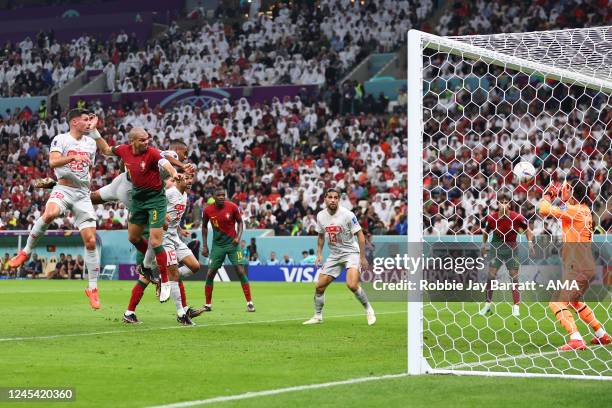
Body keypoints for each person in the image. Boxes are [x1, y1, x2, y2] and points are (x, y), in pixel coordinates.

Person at [88, 124, 190, 324]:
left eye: (147, 139)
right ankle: (137, 305)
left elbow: (164, 161)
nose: (147, 143)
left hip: (154, 205)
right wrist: (94, 132)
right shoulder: (122, 175)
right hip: (140, 209)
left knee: (160, 249)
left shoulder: (152, 153)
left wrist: (175, 171)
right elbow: (107, 151)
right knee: (134, 238)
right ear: (132, 142)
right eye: (142, 140)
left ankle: (171, 294)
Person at [9, 109, 102, 309]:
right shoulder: (61, 139)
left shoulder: (91, 143)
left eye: (89, 120)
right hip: (63, 189)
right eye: (85, 120)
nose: (88, 123)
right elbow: (53, 162)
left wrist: (86, 185)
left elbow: (90, 169)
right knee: (50, 213)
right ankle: (25, 252)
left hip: (82, 195)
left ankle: (92, 288)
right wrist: (72, 158)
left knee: (91, 241)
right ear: (74, 122)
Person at [539, 179, 610, 350]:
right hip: (586, 265)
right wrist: (563, 200)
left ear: (572, 192)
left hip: (577, 266)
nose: (563, 191)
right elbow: (564, 211)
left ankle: (576, 338)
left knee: (556, 303)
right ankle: (602, 335)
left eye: (566, 189)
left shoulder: (575, 210)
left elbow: (543, 210)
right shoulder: (583, 210)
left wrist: (548, 195)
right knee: (573, 302)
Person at [125, 174, 202, 325]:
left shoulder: (184, 196)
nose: (190, 181)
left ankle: (162, 281)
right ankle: (182, 313)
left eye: (192, 178)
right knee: (165, 274)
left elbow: (175, 216)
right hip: (163, 238)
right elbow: (153, 206)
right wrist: (161, 216)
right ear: (179, 179)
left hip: (174, 237)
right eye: (187, 178)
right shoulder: (169, 193)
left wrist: (179, 229)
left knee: (194, 266)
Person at [303, 188, 376, 325]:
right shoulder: (320, 216)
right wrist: (319, 254)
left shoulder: (347, 215)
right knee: (319, 286)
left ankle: (369, 309)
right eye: (330, 197)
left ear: (338, 200)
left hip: (351, 253)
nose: (332, 200)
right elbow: (320, 236)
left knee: (352, 284)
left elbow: (360, 235)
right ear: (325, 199)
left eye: (336, 197)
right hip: (335, 255)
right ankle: (318, 316)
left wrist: (362, 257)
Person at [479, 191, 534, 317]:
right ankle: (487, 306)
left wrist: (530, 242)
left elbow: (528, 231)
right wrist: (484, 245)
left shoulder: (517, 217)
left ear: (509, 205)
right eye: (501, 202)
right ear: (497, 204)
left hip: (511, 250)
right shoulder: (492, 218)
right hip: (496, 249)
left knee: (514, 277)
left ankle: (516, 307)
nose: (503, 205)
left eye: (506, 202)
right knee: (491, 276)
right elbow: (486, 232)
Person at [202, 187, 254, 312]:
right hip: (217, 246)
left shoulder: (232, 207)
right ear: (213, 197)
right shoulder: (208, 210)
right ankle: (208, 304)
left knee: (240, 271)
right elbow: (204, 227)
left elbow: (240, 223)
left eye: (223, 195)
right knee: (210, 274)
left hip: (232, 244)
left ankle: (250, 303)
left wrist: (238, 237)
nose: (221, 197)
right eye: (218, 195)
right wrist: (205, 245)